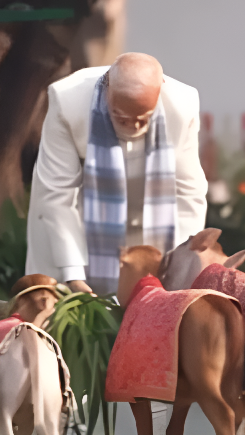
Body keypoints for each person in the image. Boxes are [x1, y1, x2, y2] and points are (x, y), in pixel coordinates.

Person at [25, 53, 208, 297]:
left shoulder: (182, 105)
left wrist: (178, 264)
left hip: (151, 226)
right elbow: (57, 193)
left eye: (144, 119)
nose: (134, 126)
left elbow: (188, 191)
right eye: (122, 117)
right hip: (79, 225)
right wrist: (73, 273)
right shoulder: (68, 101)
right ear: (108, 88)